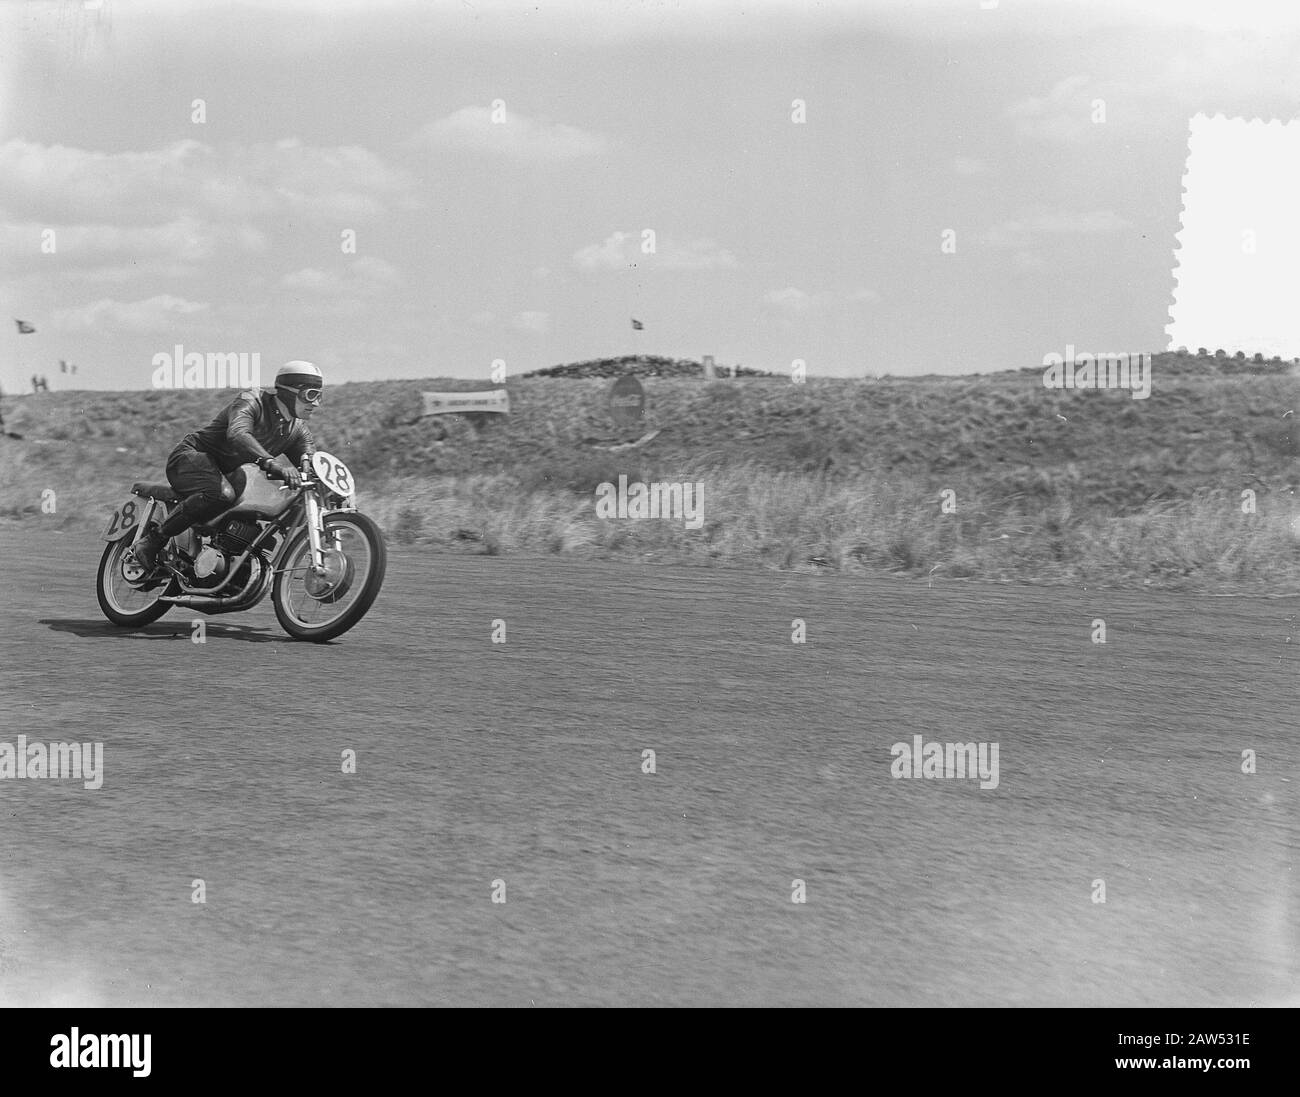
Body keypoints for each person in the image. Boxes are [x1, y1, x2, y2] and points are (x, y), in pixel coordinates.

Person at [129, 361, 323, 572]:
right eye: (311, 395)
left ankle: (221, 558)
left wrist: (327, 484)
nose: (316, 403)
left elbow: (310, 463)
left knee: (252, 505)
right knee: (221, 494)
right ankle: (151, 542)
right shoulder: (253, 400)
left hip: (226, 473)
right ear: (288, 391)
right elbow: (238, 433)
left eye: (319, 396)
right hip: (190, 457)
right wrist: (272, 463)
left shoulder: (297, 430)